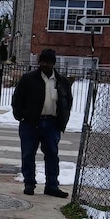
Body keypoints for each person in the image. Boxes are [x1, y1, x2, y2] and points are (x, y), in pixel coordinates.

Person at [11, 49, 73, 197]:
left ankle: (52, 185)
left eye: (47, 62)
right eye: (42, 61)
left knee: (52, 155)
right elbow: (17, 99)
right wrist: (21, 117)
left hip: (52, 123)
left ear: (53, 63)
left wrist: (62, 119)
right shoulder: (28, 79)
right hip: (31, 123)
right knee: (28, 154)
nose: (44, 64)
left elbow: (67, 101)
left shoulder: (62, 81)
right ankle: (29, 184)